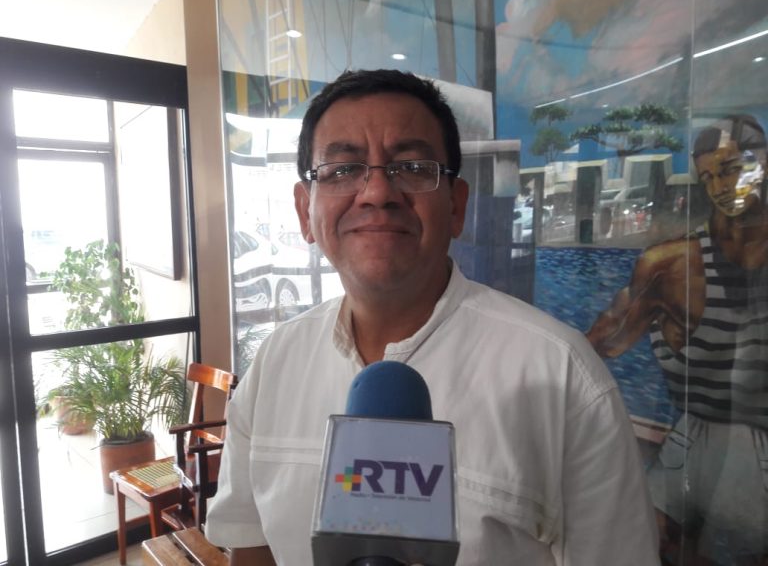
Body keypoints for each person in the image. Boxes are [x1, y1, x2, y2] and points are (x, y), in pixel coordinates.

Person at [206, 69, 659, 565]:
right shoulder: (275, 363)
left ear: (456, 205)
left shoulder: (564, 375)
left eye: (412, 167)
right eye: (343, 170)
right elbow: (251, 546)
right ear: (304, 211)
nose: (377, 193)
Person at [586, 115, 768, 565]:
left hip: (751, 445)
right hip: (694, 435)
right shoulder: (673, 265)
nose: (720, 187)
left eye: (730, 169)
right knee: (646, 542)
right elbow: (600, 343)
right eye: (708, 177)